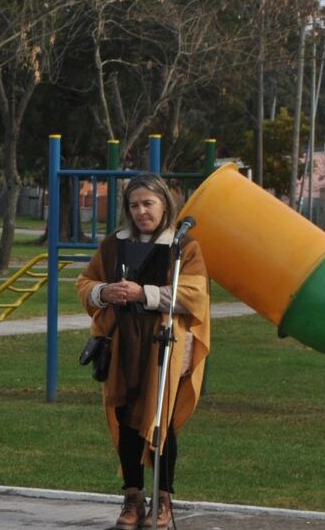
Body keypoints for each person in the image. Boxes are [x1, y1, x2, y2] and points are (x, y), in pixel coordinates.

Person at [76, 175, 211, 529]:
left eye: (148, 203)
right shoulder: (114, 245)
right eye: (134, 205)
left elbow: (194, 295)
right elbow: (86, 283)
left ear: (164, 204)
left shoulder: (184, 247)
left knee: (159, 418)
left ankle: (163, 499)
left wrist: (144, 294)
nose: (141, 211)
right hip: (122, 342)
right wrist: (105, 292)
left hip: (163, 342)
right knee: (124, 415)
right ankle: (132, 496)